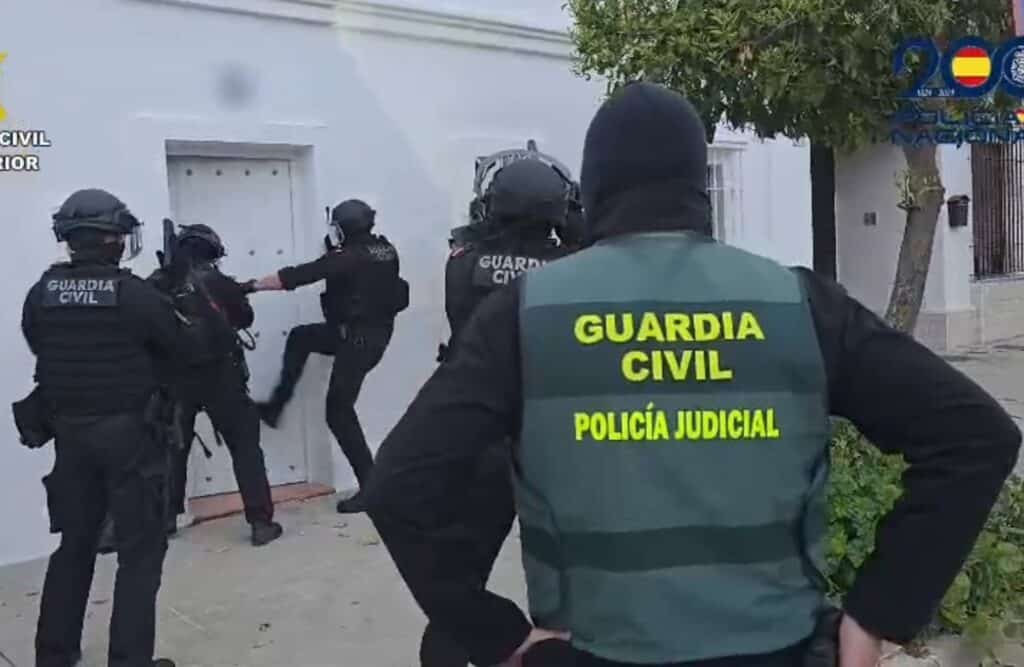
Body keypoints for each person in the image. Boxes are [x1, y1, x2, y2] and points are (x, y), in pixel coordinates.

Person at [364, 82, 1022, 667]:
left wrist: (494, 634)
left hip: (593, 649)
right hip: (781, 649)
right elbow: (975, 435)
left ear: (594, 189)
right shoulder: (800, 304)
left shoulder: (523, 314)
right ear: (697, 186)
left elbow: (397, 486)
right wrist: (878, 612)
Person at [422, 157, 578, 667]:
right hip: (552, 439)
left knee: (462, 582)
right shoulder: (575, 266)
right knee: (570, 585)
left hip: (481, 437)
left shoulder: (463, 261)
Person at [23, 188, 183, 667]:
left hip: (70, 435)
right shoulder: (135, 294)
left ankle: (54, 656)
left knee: (74, 545)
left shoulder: (42, 292)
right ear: (113, 239)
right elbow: (179, 348)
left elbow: (39, 343)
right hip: (130, 437)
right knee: (139, 553)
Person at [249, 199, 408, 514]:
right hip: (368, 335)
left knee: (338, 411)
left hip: (358, 341)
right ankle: (275, 406)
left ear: (345, 227)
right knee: (301, 337)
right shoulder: (385, 249)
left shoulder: (347, 257)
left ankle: (372, 488)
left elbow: (299, 275)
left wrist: (250, 286)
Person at [149, 223, 283, 547]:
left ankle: (166, 519)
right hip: (222, 376)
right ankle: (260, 522)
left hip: (176, 378)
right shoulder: (219, 282)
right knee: (245, 447)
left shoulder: (159, 282)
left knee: (173, 448)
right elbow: (245, 319)